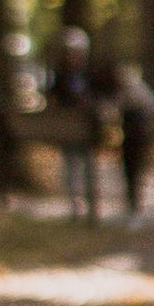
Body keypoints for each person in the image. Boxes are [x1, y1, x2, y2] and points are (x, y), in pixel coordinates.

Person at [43, 25, 102, 221]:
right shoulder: (60, 75)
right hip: (69, 127)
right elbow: (52, 98)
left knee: (88, 167)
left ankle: (92, 207)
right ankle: (75, 207)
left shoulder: (90, 73)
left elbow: (100, 96)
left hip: (87, 127)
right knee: (71, 167)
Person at [114, 62, 154, 219]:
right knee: (132, 169)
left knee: (134, 169)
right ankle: (132, 201)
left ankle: (134, 201)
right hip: (132, 136)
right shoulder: (133, 94)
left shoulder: (139, 94)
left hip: (137, 136)